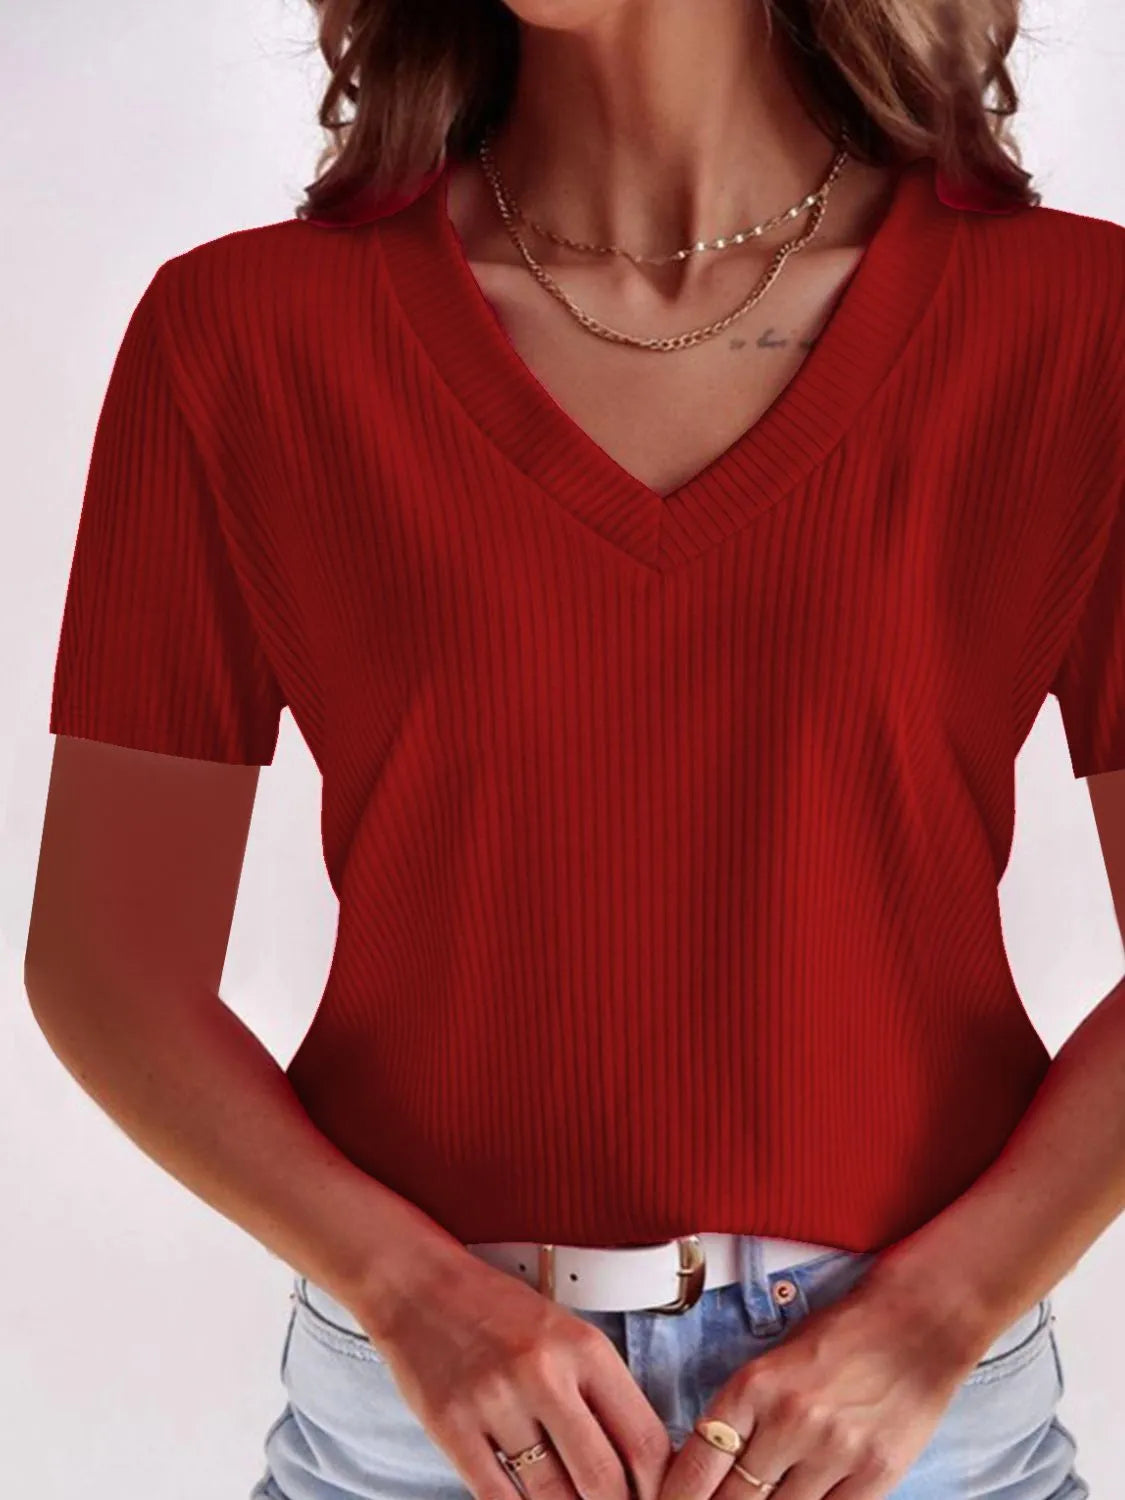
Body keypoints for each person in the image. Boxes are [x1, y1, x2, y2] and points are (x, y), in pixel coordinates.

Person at [24, 0, 1125, 1496]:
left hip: (898, 1421)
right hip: (435, 1421)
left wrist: (937, 1317)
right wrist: (411, 1293)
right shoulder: (243, 336)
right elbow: (107, 964)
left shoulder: (1076, 326)